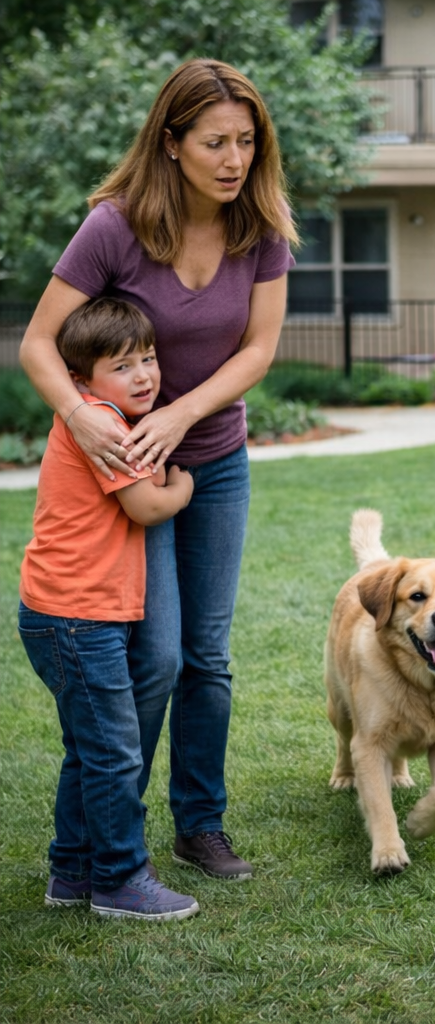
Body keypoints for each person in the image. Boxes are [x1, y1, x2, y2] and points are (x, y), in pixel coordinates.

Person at [19, 58, 298, 881]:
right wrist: (78, 417)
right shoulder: (116, 226)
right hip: (131, 478)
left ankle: (199, 825)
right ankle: (113, 840)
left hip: (213, 463)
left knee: (207, 658)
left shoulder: (263, 228)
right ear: (171, 143)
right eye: (215, 141)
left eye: (247, 141)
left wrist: (181, 412)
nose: (234, 159)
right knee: (158, 659)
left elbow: (259, 351)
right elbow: (40, 343)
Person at [19, 297, 199, 920]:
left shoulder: (100, 415)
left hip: (68, 612)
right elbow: (146, 508)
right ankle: (120, 879)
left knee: (88, 749)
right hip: (76, 617)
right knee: (116, 752)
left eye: (147, 358)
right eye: (122, 366)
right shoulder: (102, 423)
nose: (144, 375)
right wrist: (183, 488)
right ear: (82, 380)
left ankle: (71, 873)